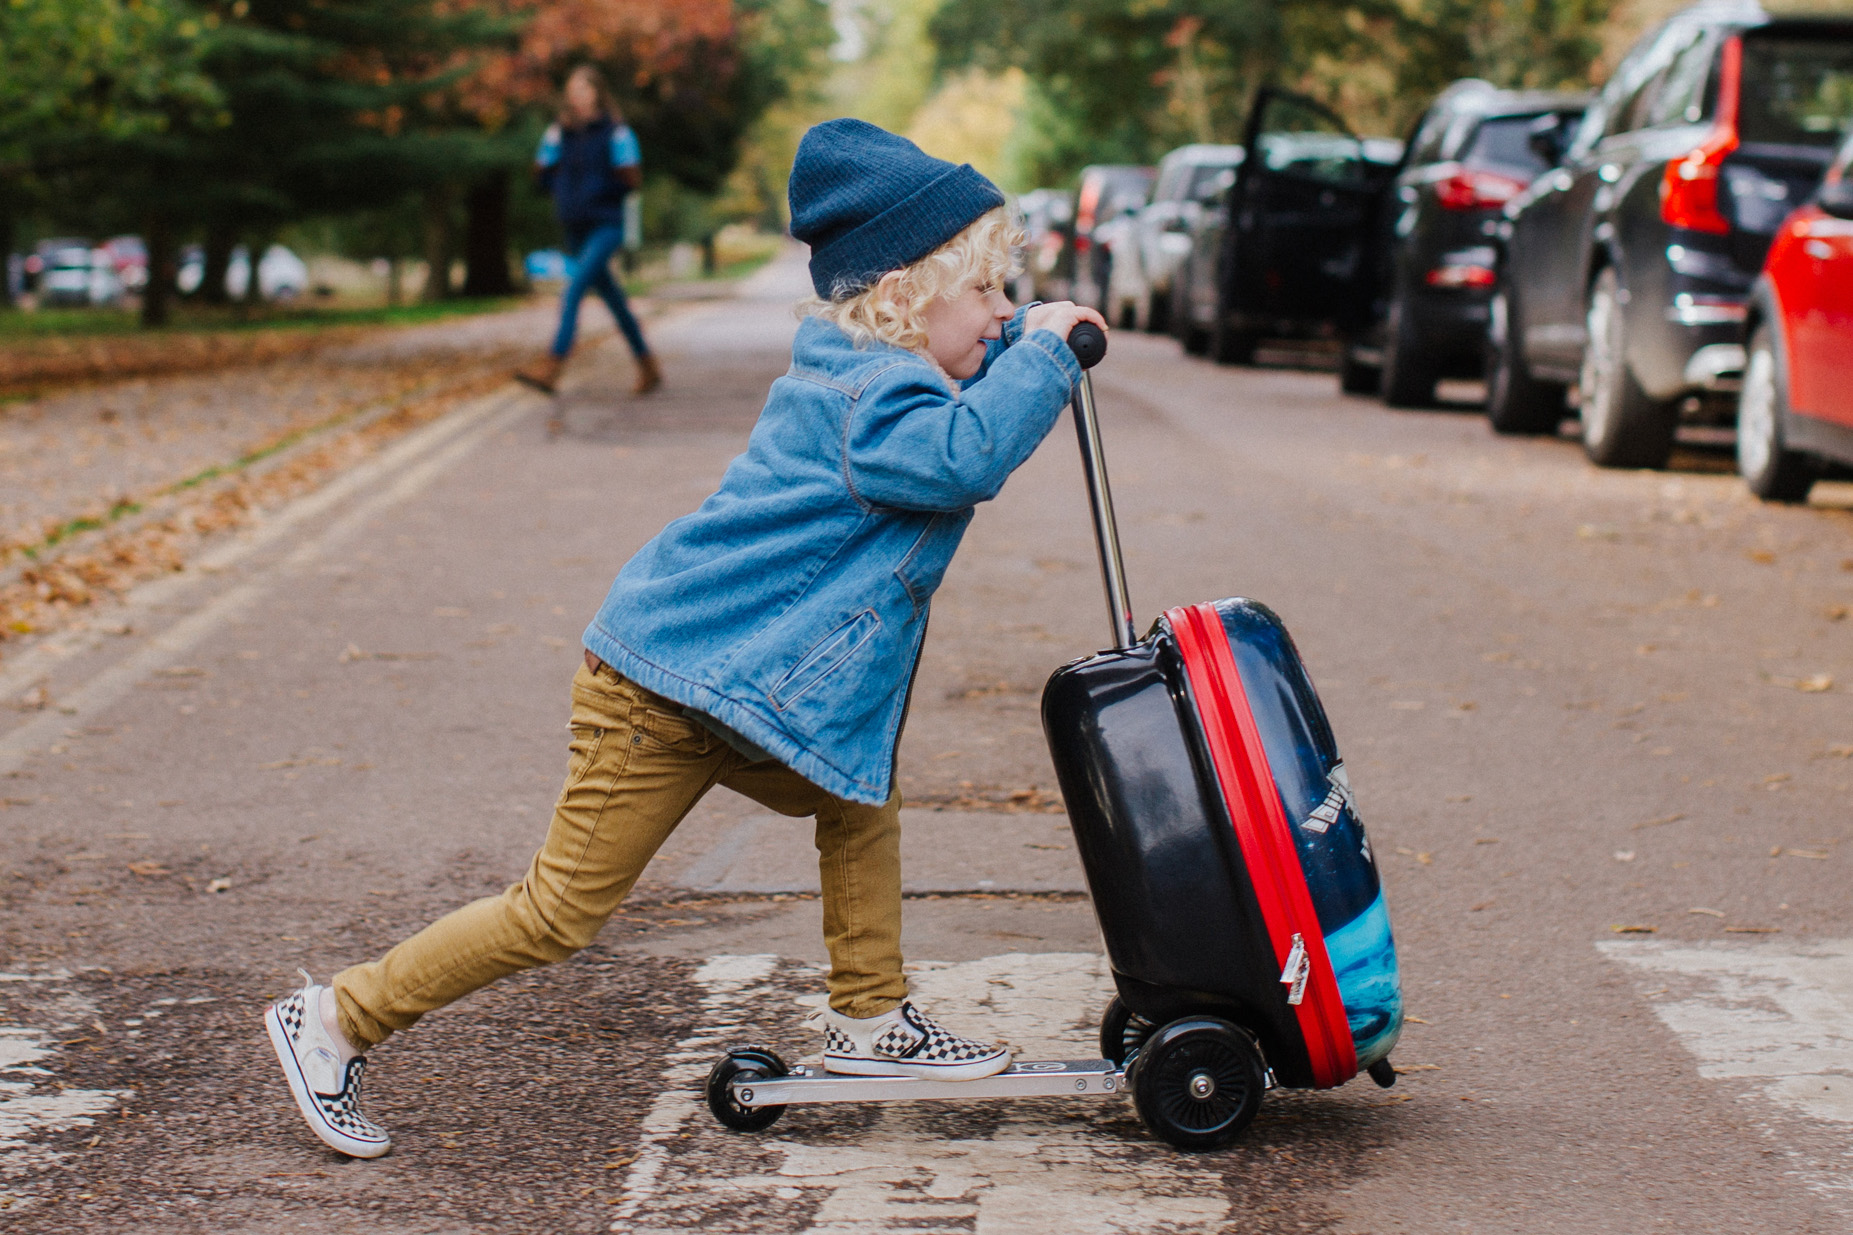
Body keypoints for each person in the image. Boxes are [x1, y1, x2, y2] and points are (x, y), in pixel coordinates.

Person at [265, 117, 1108, 1159]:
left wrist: (1021, 339)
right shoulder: (872, 400)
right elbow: (962, 455)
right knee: (558, 909)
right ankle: (336, 1017)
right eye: (982, 290)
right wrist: (1041, 359)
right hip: (660, 698)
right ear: (902, 295)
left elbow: (958, 411)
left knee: (857, 795)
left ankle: (868, 1014)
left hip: (738, 688)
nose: (1000, 310)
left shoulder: (871, 371)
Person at [515, 64, 661, 397]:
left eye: (583, 89)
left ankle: (552, 366)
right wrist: (561, 186)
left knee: (574, 289)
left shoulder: (617, 132)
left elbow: (632, 180)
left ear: (597, 92)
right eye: (573, 90)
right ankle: (648, 365)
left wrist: (604, 188)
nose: (577, 96)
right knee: (614, 300)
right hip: (575, 226)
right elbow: (540, 173)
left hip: (607, 225)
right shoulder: (560, 132)